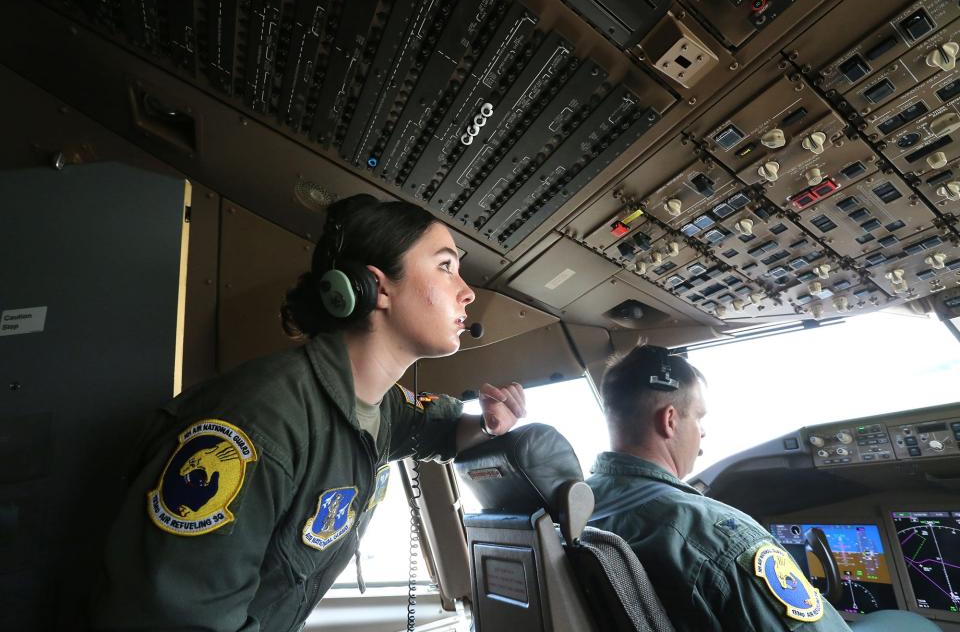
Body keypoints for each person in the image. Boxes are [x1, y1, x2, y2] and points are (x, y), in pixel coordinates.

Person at [92, 194, 526, 631]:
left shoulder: (381, 407)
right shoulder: (261, 421)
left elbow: (439, 430)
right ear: (378, 287)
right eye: (445, 266)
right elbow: (179, 620)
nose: (468, 292)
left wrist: (490, 423)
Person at [586, 344, 851, 631]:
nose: (702, 431)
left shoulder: (571, 512)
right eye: (698, 417)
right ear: (670, 420)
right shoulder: (720, 536)